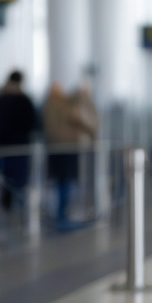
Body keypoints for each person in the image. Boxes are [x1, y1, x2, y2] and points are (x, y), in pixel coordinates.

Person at [42, 82, 96, 225]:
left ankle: (61, 214)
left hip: (60, 149)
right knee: (64, 182)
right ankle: (61, 215)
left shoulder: (54, 104)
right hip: (64, 149)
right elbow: (78, 119)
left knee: (62, 182)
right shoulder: (59, 105)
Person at [0, 71, 38, 207]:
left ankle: (9, 206)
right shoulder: (24, 100)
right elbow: (32, 122)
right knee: (17, 181)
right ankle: (16, 208)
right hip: (18, 147)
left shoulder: (0, 99)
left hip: (3, 147)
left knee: (5, 180)